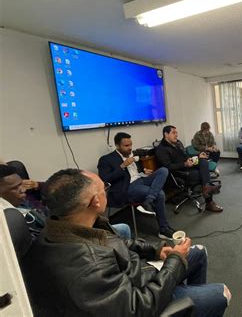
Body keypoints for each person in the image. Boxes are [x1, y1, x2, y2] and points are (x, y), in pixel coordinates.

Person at [21, 169, 230, 316]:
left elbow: (119, 242)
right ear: (95, 201)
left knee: (198, 252)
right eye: (104, 188)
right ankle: (189, 303)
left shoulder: (69, 225)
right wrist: (174, 263)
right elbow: (138, 308)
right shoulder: (87, 266)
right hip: (144, 296)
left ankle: (191, 307)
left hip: (138, 276)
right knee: (221, 293)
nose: (106, 191)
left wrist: (158, 250)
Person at [0, 164, 131, 239]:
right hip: (63, 236)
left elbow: (61, 190)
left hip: (64, 226)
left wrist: (37, 185)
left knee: (122, 230)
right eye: (15, 188)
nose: (23, 189)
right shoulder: (11, 221)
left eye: (21, 184)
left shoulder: (25, 198)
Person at [98, 132, 174, 239]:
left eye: (131, 145)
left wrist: (144, 170)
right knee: (160, 193)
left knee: (163, 170)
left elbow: (136, 170)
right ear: (117, 146)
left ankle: (149, 199)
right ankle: (163, 229)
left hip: (141, 178)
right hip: (128, 187)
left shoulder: (132, 154)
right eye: (126, 146)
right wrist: (123, 165)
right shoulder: (106, 159)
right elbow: (105, 178)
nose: (130, 148)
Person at [155, 126, 223, 213]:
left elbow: (186, 156)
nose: (176, 135)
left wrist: (198, 156)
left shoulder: (178, 143)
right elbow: (167, 167)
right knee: (202, 175)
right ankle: (209, 201)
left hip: (187, 166)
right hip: (178, 173)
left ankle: (206, 188)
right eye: (173, 133)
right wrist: (185, 164)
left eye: (177, 133)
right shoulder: (161, 149)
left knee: (203, 162)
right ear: (166, 134)